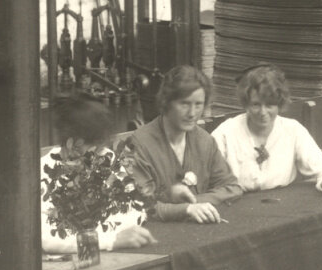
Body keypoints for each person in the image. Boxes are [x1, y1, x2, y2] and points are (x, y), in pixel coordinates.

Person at [121, 65, 242, 223]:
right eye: (185, 104)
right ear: (166, 103)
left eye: (198, 104)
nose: (192, 113)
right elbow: (137, 206)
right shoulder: (139, 144)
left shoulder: (205, 141)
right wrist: (186, 208)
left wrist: (196, 202)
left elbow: (232, 188)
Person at [40, 94, 153, 254]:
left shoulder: (108, 160)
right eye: (95, 147)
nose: (101, 155)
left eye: (102, 146)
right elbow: (48, 238)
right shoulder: (45, 173)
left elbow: (136, 211)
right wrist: (110, 240)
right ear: (71, 142)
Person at [210, 64, 322, 194]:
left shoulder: (293, 130)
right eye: (256, 105)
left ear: (279, 104)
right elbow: (209, 177)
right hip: (237, 204)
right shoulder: (226, 132)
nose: (263, 112)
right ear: (246, 104)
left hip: (282, 205)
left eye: (269, 105)